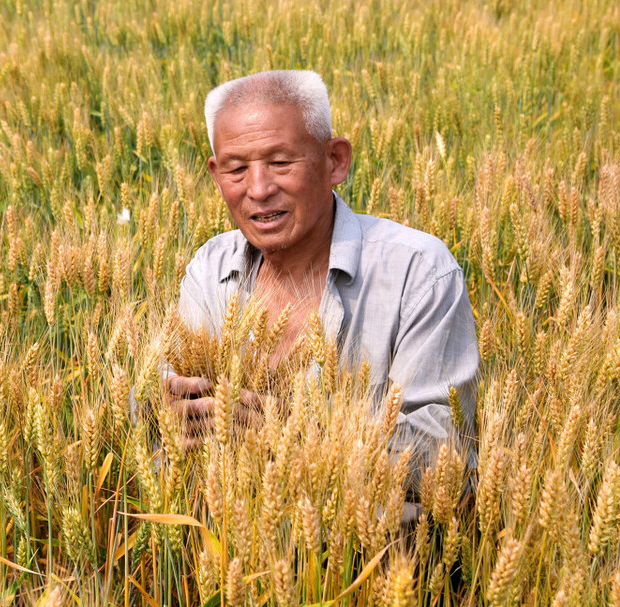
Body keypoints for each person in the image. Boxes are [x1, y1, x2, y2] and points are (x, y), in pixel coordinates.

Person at [165, 69, 479, 521]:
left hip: (376, 569)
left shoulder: (418, 271)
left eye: (280, 162)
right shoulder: (209, 269)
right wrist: (167, 407)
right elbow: (177, 425)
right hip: (232, 552)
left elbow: (444, 458)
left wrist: (296, 432)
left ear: (335, 161)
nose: (258, 189)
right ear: (216, 175)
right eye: (236, 168)